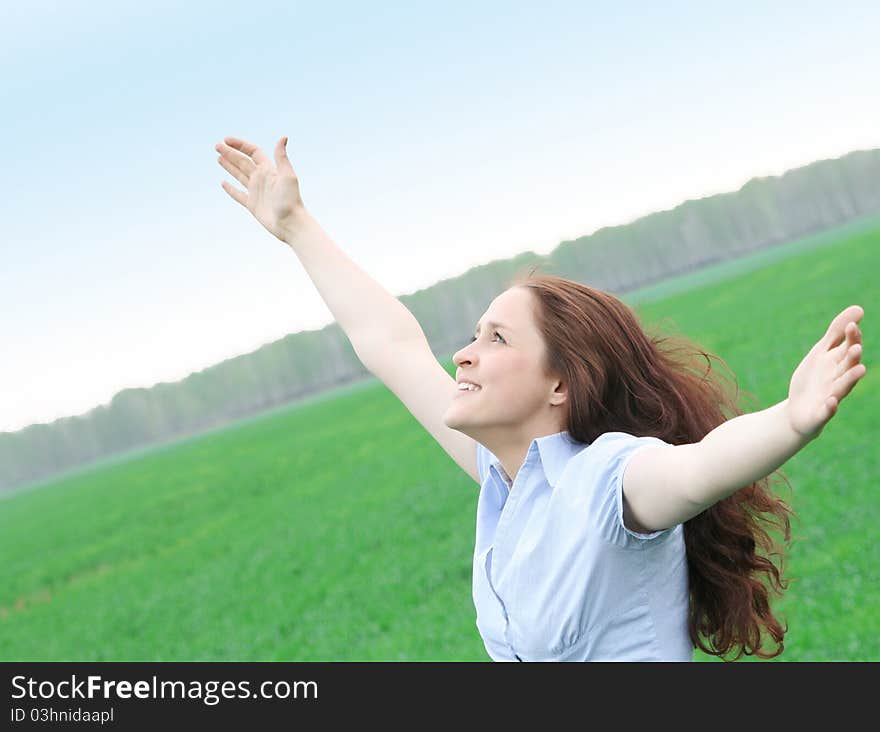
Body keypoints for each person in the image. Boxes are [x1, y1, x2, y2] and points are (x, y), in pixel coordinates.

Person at [215, 134, 867, 661]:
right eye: (474, 335)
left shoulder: (611, 479)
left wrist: (792, 418)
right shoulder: (504, 482)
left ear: (561, 382)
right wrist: (296, 226)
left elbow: (698, 467)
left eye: (496, 339)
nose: (464, 354)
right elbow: (392, 346)